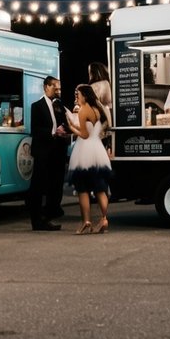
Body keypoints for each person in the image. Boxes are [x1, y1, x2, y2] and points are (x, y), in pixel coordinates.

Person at [65, 84, 113, 233]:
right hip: (97, 149)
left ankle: (86, 221)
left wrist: (70, 126)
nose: (76, 97)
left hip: (84, 151)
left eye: (77, 94)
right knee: (100, 189)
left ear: (84, 96)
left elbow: (84, 135)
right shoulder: (98, 110)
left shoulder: (83, 110)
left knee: (83, 189)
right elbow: (93, 131)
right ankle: (104, 219)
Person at [28, 75, 70, 231]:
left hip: (57, 152)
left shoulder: (59, 105)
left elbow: (65, 122)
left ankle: (49, 216)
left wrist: (65, 131)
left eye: (59, 87)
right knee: (39, 186)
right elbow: (35, 130)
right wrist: (53, 132)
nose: (58, 90)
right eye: (55, 87)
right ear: (46, 87)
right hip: (42, 151)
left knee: (55, 185)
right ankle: (37, 220)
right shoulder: (36, 106)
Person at [88, 61, 113, 150]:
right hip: (107, 115)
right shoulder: (107, 83)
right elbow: (108, 101)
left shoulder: (93, 86)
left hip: (98, 116)